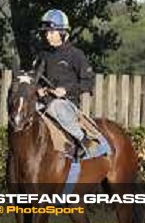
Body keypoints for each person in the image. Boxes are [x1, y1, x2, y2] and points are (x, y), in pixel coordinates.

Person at [33, 9, 98, 156]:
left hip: (66, 104)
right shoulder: (43, 55)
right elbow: (35, 79)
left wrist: (66, 91)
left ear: (62, 32)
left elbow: (88, 83)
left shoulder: (76, 55)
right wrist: (38, 89)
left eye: (51, 32)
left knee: (56, 105)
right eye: (45, 33)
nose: (47, 36)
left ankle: (84, 140)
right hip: (44, 101)